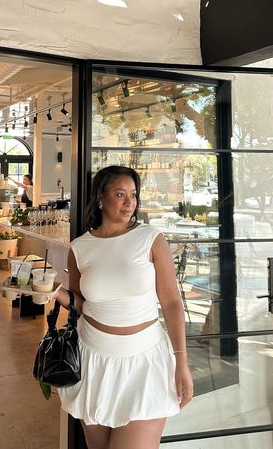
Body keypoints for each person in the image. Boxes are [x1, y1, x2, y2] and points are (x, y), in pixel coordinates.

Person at [54, 165, 193, 449]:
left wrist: (182, 362)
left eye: (133, 194)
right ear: (101, 198)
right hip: (94, 360)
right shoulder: (80, 247)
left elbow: (171, 302)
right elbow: (81, 303)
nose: (130, 202)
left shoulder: (150, 238)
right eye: (120, 194)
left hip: (145, 362)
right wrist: (55, 293)